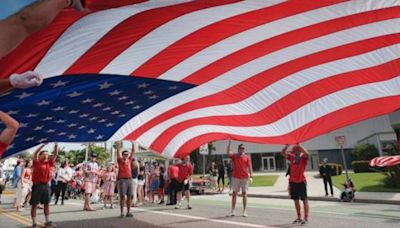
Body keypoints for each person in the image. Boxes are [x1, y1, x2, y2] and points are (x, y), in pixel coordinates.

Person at [30, 143, 59, 228]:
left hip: (46, 186)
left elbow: (55, 154)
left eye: (47, 154)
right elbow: (35, 153)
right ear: (40, 156)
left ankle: (47, 221)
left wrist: (56, 145)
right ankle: (34, 223)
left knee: (46, 204)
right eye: (44, 154)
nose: (46, 156)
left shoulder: (49, 163)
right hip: (37, 186)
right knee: (34, 205)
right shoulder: (36, 162)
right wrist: (43, 144)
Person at [281, 144, 310, 225]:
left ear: (298, 151)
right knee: (296, 200)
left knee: (304, 200)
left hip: (301, 181)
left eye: (294, 150)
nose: (292, 152)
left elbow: (307, 154)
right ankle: (299, 217)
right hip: (293, 182)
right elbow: (282, 152)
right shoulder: (292, 157)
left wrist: (299, 145)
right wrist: (287, 145)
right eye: (292, 151)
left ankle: (306, 218)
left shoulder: (303, 158)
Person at [226, 141, 253, 217]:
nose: (242, 149)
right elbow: (228, 152)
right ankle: (233, 210)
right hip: (236, 177)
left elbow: (250, 167)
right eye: (241, 148)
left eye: (243, 148)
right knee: (234, 194)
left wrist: (251, 176)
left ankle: (244, 211)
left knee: (244, 194)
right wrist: (229, 143)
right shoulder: (234, 155)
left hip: (244, 178)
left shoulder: (247, 157)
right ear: (238, 149)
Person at [116, 141, 134, 218]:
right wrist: (118, 146)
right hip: (122, 180)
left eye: (127, 154)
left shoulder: (129, 160)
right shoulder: (120, 160)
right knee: (122, 196)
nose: (126, 155)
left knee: (130, 196)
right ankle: (122, 212)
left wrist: (133, 143)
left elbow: (133, 151)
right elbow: (118, 152)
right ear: (122, 155)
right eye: (125, 154)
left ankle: (128, 212)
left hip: (129, 179)